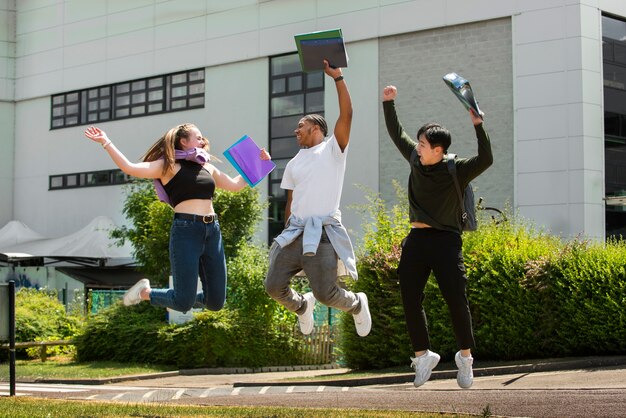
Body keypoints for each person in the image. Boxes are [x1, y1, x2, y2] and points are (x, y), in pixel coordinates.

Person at [84, 123, 270, 313]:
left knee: (215, 303)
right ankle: (144, 293)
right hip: (186, 231)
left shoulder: (207, 167)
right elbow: (130, 167)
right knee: (183, 302)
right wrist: (106, 142)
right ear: (183, 141)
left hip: (212, 231)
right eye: (198, 137)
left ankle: (183, 298)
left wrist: (259, 162)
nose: (202, 140)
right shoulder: (168, 166)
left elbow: (235, 185)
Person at [382, 85, 493, 389]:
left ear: (438, 150)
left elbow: (486, 159)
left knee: (456, 299)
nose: (417, 147)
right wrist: (388, 102)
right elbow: (396, 133)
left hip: (447, 242)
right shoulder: (416, 161)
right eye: (418, 142)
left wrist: (478, 125)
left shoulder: (456, 169)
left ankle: (466, 358)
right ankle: (423, 356)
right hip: (416, 241)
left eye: (422, 144)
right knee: (409, 297)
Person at [264, 61, 371, 337]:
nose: (295, 130)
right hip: (294, 233)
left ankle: (357, 303)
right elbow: (290, 202)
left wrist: (338, 78)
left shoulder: (333, 150)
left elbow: (347, 113)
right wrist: (287, 229)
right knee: (273, 287)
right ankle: (301, 306)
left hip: (322, 234)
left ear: (317, 128)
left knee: (326, 293)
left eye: (301, 125)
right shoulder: (293, 164)